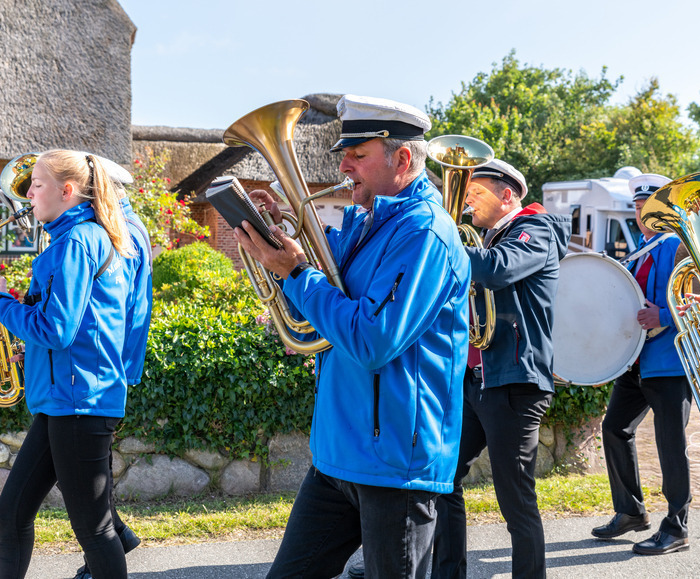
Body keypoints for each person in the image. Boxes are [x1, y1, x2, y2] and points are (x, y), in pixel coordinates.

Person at [234, 94, 471, 579]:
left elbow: (370, 340)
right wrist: (275, 234)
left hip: (394, 461)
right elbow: (319, 299)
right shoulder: (364, 222)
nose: (343, 166)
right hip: (338, 452)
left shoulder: (424, 233)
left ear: (401, 159)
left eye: (358, 155)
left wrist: (295, 273)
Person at [0, 150, 137, 579]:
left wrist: (0, 306)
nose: (27, 194)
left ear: (67, 191)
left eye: (37, 184)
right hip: (64, 399)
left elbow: (58, 330)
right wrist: (29, 340)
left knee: (95, 530)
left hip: (79, 402)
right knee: (11, 513)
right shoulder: (78, 238)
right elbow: (74, 327)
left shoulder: (77, 242)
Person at [430, 159, 571, 578]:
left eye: (475, 193)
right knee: (443, 478)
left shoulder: (536, 230)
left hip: (515, 382)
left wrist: (440, 239)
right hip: (478, 380)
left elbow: (496, 269)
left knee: (516, 501)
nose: (467, 202)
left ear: (507, 195)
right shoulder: (489, 238)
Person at [591, 173, 693, 555]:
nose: (641, 213)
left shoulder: (678, 245)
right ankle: (631, 512)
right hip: (637, 362)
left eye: (648, 206)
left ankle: (677, 528)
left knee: (671, 445)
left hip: (670, 364)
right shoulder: (642, 246)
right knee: (615, 428)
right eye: (636, 207)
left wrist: (663, 316)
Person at [72, 159, 152, 579]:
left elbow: (120, 308)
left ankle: (106, 549)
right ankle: (114, 539)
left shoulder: (124, 230)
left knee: (89, 471)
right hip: (108, 362)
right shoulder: (119, 226)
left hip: (106, 365)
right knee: (88, 469)